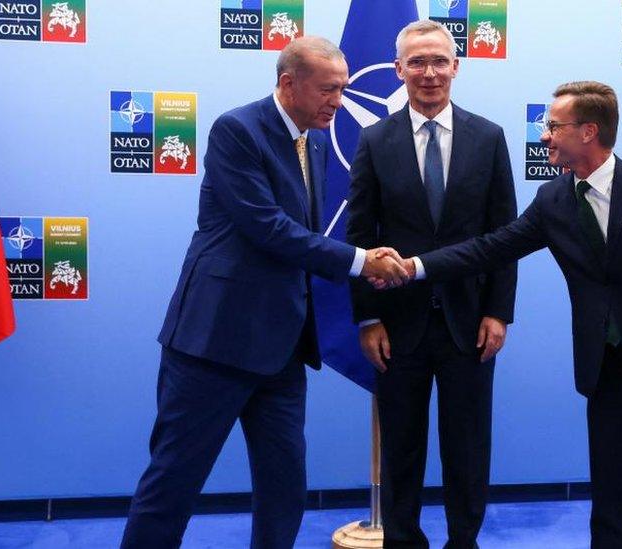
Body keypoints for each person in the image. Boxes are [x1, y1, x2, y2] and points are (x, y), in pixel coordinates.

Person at [396, 81, 622, 548]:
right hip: (606, 369)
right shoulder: (552, 200)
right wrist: (417, 267)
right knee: (612, 494)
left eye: (554, 126)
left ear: (589, 131)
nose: (545, 135)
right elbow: (490, 248)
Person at [120, 36, 408, 549]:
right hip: (214, 345)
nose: (338, 102)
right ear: (287, 83)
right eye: (327, 90)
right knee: (173, 483)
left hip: (283, 349)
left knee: (284, 487)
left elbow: (304, 234)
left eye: (342, 89)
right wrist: (362, 261)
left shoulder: (317, 140)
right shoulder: (237, 130)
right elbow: (268, 228)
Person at [346, 20, 517, 549]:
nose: (429, 73)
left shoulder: (489, 137)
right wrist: (368, 316)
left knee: (468, 446)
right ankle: (402, 540)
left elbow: (505, 234)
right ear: (398, 70)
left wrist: (498, 312)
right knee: (402, 445)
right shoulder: (374, 140)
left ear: (456, 67)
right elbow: (359, 237)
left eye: (439, 61)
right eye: (416, 62)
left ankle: (464, 540)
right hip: (398, 324)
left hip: (471, 322)